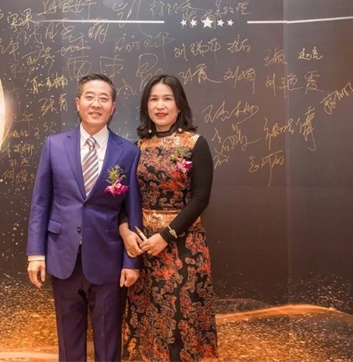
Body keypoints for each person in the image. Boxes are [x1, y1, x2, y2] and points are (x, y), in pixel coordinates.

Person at [26, 73, 142, 362]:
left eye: (104, 98)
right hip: (63, 256)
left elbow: (132, 209)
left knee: (108, 342)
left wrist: (131, 261)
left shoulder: (128, 152)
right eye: (90, 97)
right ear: (77, 103)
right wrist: (36, 254)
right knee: (69, 343)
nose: (96, 104)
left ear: (113, 107)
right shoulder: (54, 145)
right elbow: (40, 203)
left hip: (108, 259)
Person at [120, 74, 218, 361]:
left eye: (167, 99)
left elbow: (200, 198)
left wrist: (165, 236)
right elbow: (126, 198)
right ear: (146, 106)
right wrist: (125, 232)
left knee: (181, 323)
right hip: (144, 249)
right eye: (154, 99)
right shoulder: (137, 147)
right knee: (148, 320)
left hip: (184, 248)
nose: (160, 106)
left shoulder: (195, 143)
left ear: (179, 104)